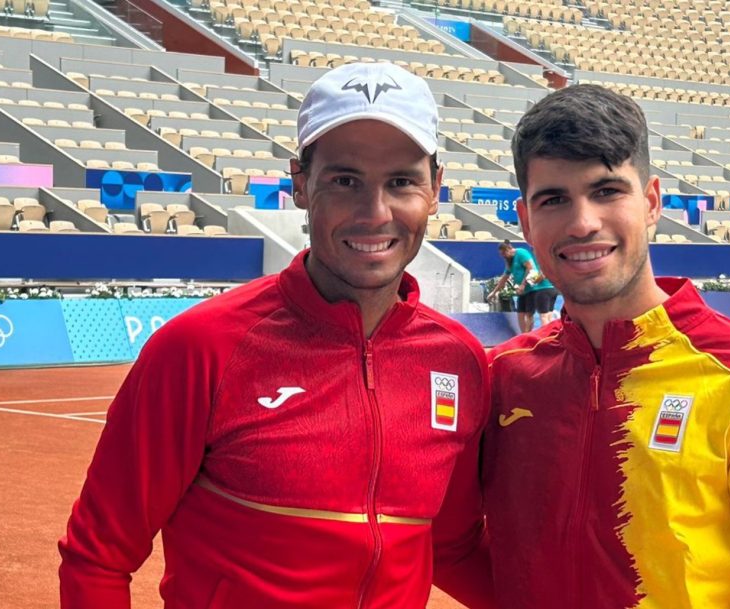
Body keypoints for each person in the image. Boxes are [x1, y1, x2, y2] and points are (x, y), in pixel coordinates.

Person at [59, 62, 495, 609]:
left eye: (401, 182)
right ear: (299, 185)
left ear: (435, 190)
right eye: (344, 180)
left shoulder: (458, 361)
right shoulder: (201, 348)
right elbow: (99, 557)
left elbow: (451, 546)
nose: (374, 212)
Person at [482, 85, 730, 608]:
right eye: (554, 199)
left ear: (652, 202)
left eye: (607, 191)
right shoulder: (501, 377)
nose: (583, 222)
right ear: (524, 219)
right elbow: (454, 544)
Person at [485, 240, 558, 333]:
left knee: (531, 314)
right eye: (501, 255)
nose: (503, 256)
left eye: (504, 253)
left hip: (532, 289)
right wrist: (494, 292)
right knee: (520, 313)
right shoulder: (509, 261)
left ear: (509, 249)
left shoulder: (521, 253)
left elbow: (531, 269)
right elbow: (504, 277)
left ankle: (530, 334)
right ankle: (523, 334)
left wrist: (523, 285)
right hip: (523, 291)